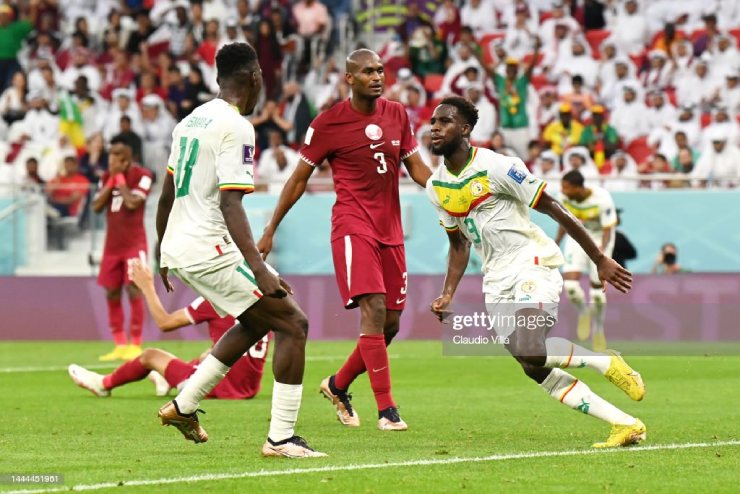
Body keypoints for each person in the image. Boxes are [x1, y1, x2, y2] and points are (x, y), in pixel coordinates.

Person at [426, 96, 645, 449]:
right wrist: (448, 292)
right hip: (495, 278)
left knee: (530, 347)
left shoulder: (498, 166)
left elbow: (554, 208)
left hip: (531, 262)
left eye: (444, 121)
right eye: (433, 121)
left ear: (465, 129)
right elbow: (458, 244)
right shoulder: (435, 186)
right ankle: (624, 423)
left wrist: (598, 258)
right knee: (532, 366)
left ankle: (603, 359)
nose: (434, 127)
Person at [155, 42, 324, 458]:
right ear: (254, 78)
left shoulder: (189, 121)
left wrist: (161, 249)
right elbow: (231, 203)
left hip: (181, 246)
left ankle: (183, 405)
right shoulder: (237, 127)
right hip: (208, 245)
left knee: (254, 321)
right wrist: (259, 268)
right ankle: (281, 438)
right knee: (293, 323)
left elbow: (166, 194)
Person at [257, 48, 432, 432]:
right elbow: (299, 179)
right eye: (368, 71)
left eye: (381, 70)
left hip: (391, 230)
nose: (377, 77)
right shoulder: (327, 124)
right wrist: (270, 229)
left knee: (390, 323)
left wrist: (446, 190)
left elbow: (416, 167)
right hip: (353, 226)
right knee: (373, 308)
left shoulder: (398, 114)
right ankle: (387, 410)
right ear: (349, 79)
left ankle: (338, 385)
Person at [68, 260, 270, 400]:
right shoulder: (264, 299)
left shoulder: (216, 299)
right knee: (208, 354)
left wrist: (147, 286)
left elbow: (164, 322)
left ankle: (103, 384)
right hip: (248, 388)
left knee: (149, 355)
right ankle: (166, 378)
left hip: (216, 388)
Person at [92, 139, 154, 362]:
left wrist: (121, 183)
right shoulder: (105, 178)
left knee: (134, 290)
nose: (109, 165)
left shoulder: (143, 175)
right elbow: (96, 207)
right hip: (112, 246)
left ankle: (135, 343)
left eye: (114, 162)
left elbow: (132, 203)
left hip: (134, 244)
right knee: (111, 291)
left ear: (125, 162)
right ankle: (119, 344)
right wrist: (111, 182)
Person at [555, 170, 617, 352]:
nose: (563, 191)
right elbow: (564, 221)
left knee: (597, 294)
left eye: (566, 188)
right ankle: (584, 312)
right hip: (578, 238)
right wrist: (557, 242)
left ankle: (598, 328)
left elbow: (607, 230)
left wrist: (602, 256)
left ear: (577, 188)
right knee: (571, 287)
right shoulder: (564, 197)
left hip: (600, 240)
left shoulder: (602, 198)